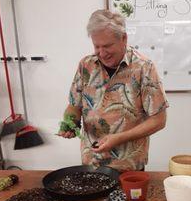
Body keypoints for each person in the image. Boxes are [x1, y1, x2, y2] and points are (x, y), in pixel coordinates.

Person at [59, 9, 168, 171]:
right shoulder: (85, 65)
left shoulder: (144, 68)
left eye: (107, 46)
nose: (102, 53)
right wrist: (69, 123)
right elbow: (74, 106)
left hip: (128, 166)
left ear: (124, 38)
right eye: (97, 46)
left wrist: (118, 138)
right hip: (91, 163)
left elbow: (159, 120)